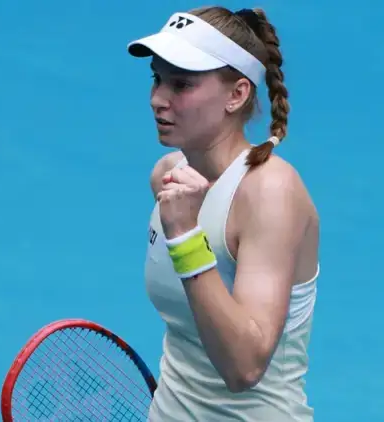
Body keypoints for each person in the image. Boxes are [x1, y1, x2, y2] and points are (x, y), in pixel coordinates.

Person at [129, 5, 320, 422]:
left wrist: (186, 237)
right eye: (157, 79)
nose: (158, 99)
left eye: (181, 84)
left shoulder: (270, 191)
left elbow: (244, 367)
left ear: (237, 94)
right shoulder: (167, 178)